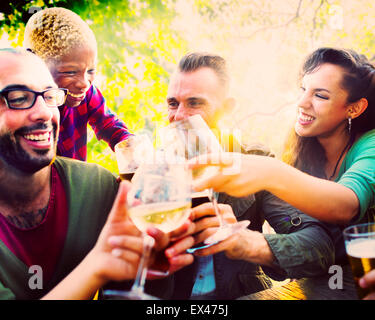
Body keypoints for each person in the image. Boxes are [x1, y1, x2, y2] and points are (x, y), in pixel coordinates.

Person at [0, 48, 179, 299]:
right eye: (18, 97)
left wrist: (155, 261)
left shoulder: (100, 189)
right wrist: (97, 266)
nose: (44, 113)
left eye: (50, 96)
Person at [157, 52, 337, 300]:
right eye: (173, 103)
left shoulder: (256, 162)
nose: (178, 116)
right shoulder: (153, 172)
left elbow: (319, 247)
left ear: (227, 109)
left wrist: (245, 243)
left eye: (195, 103)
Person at [191, 48, 375, 264]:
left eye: (320, 95)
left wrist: (270, 172)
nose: (301, 102)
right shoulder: (303, 151)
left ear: (354, 109)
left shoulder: (369, 146)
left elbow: (345, 206)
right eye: (303, 89)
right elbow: (293, 221)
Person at [24, 7, 132, 161]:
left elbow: (110, 126)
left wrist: (132, 148)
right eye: (70, 72)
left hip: (72, 182)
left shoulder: (87, 95)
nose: (84, 84)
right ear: (35, 63)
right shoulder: (19, 105)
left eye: (91, 70)